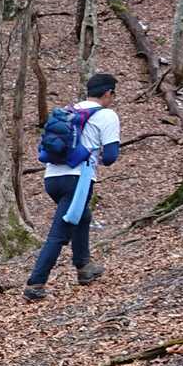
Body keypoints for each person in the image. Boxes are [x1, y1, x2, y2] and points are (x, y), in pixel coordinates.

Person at [23, 73, 121, 301]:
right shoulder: (107, 115)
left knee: (83, 217)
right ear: (108, 93)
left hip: (52, 178)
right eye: (113, 94)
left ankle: (84, 266)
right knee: (60, 232)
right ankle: (35, 284)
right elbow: (110, 157)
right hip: (78, 179)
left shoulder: (71, 110)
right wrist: (96, 154)